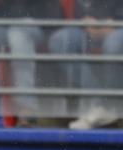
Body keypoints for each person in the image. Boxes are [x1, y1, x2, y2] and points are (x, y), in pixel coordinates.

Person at [0, 0, 66, 126]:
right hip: (3, 24)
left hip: (36, 24)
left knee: (18, 34)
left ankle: (26, 109)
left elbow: (54, 12)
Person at [48, 0, 123, 129]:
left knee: (113, 44)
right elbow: (80, 5)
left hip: (118, 26)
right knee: (59, 41)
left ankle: (109, 105)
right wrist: (85, 19)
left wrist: (116, 21)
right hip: (89, 29)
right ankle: (100, 102)